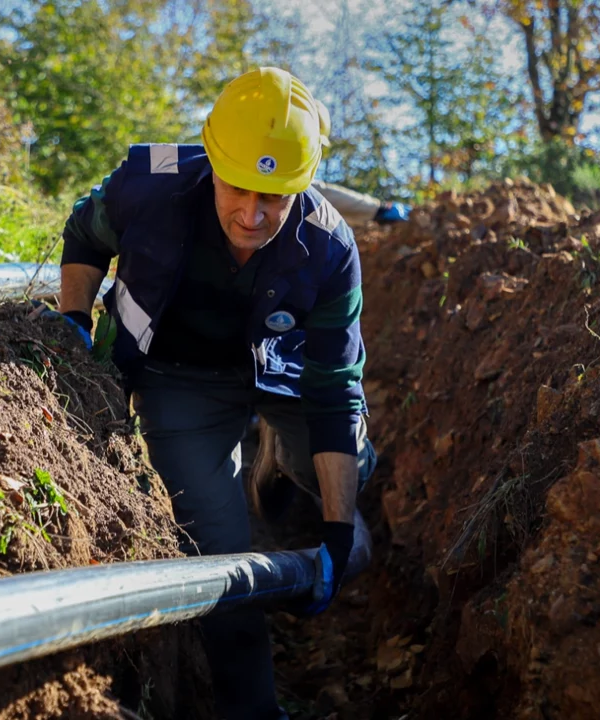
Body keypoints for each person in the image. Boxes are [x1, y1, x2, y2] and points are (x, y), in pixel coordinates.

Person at [47, 67, 379, 719]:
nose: (252, 215)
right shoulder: (153, 181)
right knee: (218, 554)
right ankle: (254, 709)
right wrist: (73, 320)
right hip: (180, 377)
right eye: (238, 190)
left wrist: (340, 535)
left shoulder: (331, 247)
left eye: (274, 198)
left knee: (353, 467)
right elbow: (84, 233)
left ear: (303, 184)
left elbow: (336, 393)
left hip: (285, 376)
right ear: (213, 160)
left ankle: (276, 453)